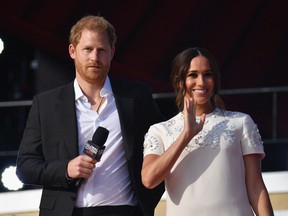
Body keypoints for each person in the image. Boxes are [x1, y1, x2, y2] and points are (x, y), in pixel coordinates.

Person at [16, 15, 164, 216]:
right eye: (87, 49)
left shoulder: (137, 97)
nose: (95, 57)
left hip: (126, 211)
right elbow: (25, 167)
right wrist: (66, 169)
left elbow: (162, 148)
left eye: (101, 50)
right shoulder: (46, 104)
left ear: (111, 52)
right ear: (72, 51)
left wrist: (147, 203)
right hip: (68, 212)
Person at [141, 47, 274, 216]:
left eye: (208, 74)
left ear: (215, 79)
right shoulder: (160, 130)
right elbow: (149, 180)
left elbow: (256, 187)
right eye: (193, 75)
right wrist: (186, 135)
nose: (201, 82)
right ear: (179, 80)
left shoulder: (240, 122)